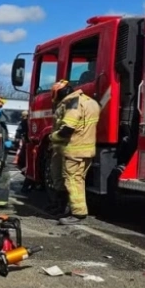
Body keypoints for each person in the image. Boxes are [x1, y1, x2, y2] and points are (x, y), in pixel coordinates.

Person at [48, 80, 100, 225]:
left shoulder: (72, 103)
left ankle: (78, 214)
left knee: (73, 180)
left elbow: (67, 129)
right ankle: (64, 207)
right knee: (70, 178)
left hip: (74, 150)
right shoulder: (89, 101)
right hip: (82, 148)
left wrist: (52, 137)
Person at [15, 111, 35, 192]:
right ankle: (29, 184)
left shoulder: (24, 123)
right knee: (28, 165)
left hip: (27, 145)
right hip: (28, 145)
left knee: (27, 165)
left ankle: (27, 185)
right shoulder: (26, 122)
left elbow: (19, 132)